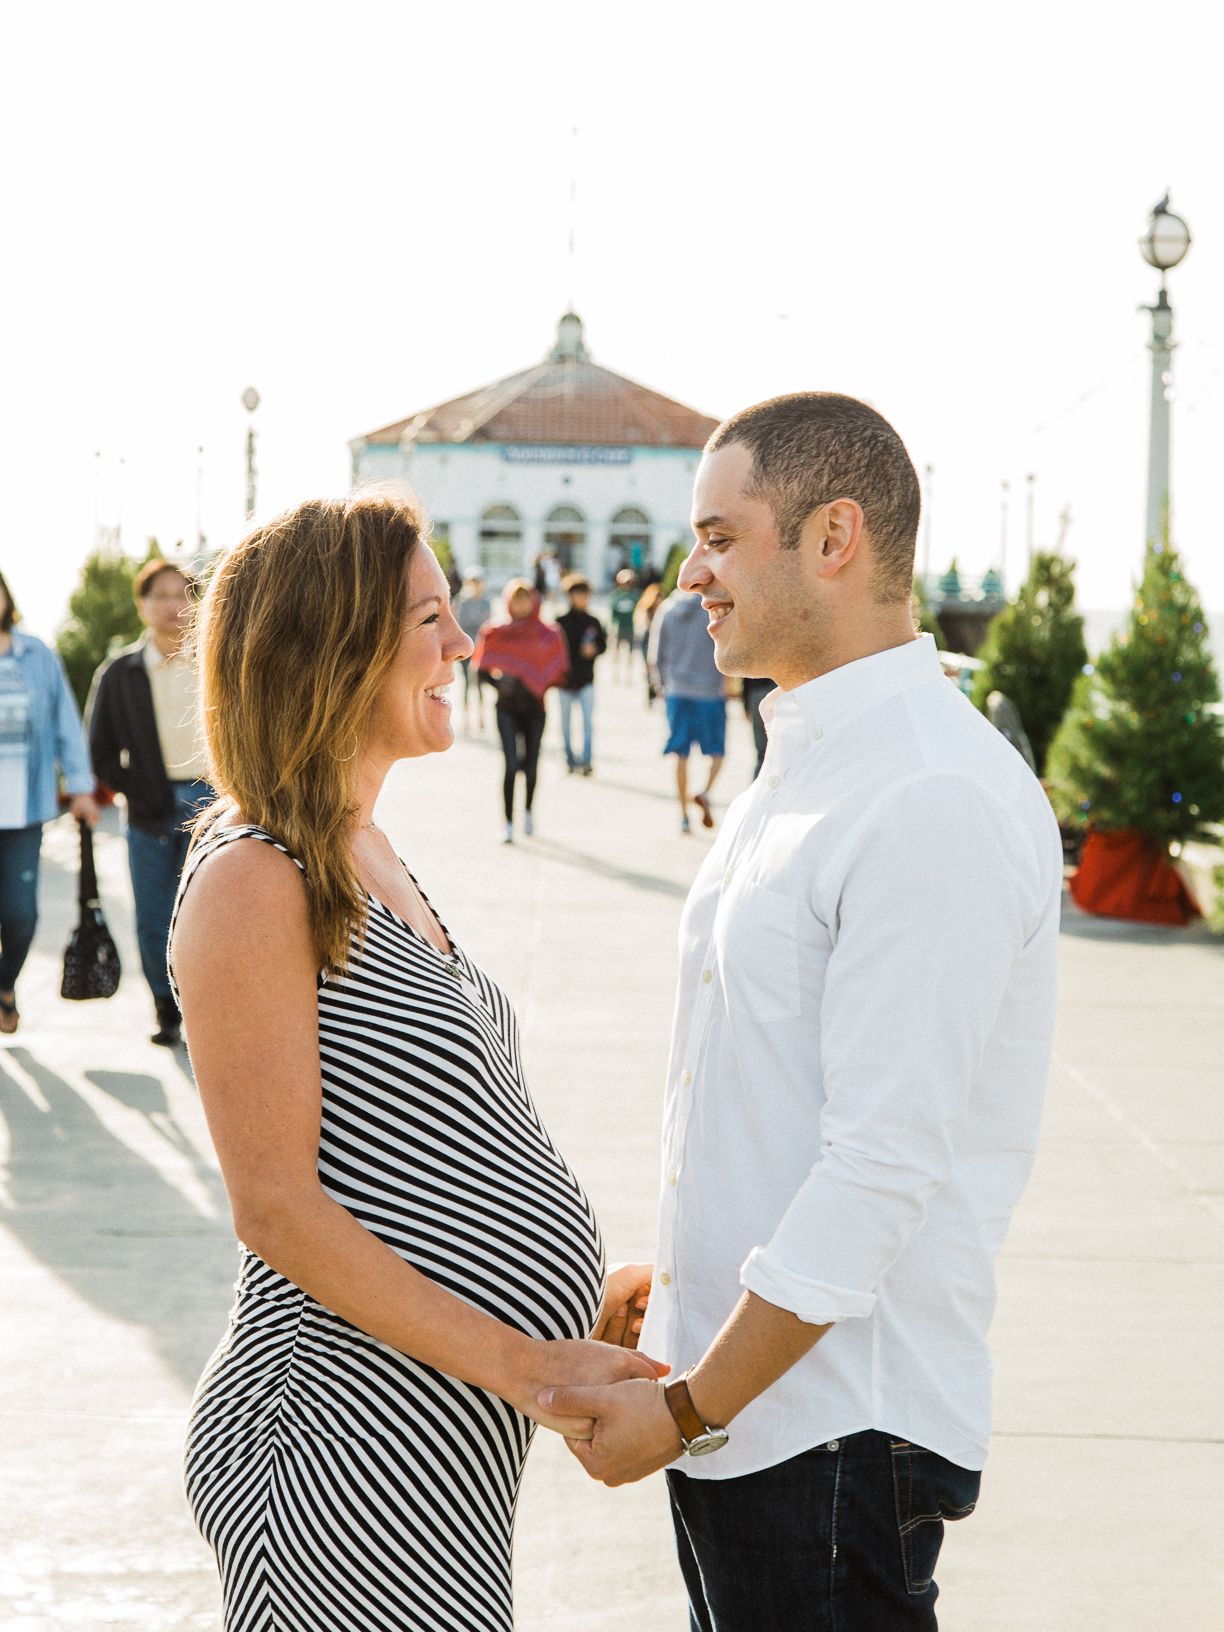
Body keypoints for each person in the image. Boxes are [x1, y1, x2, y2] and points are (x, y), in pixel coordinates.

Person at [540, 394, 1064, 1632]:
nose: (689, 572)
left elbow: (881, 1167)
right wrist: (680, 1284)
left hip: (832, 1436)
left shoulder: (929, 791)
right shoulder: (809, 762)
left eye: (721, 536)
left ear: (834, 538)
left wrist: (684, 1406)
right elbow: (773, 1088)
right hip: (748, 1412)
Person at [169, 493, 663, 1632]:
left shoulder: (364, 852)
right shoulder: (255, 877)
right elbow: (279, 1210)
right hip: (339, 1449)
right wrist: (528, 1366)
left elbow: (404, 1154)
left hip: (434, 1441)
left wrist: (572, 1304)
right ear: (332, 643)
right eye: (431, 617)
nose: (463, 645)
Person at [87, 559, 212, 1047]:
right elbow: (98, 750)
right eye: (161, 595)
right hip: (149, 810)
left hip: (212, 802)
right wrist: (136, 788)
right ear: (142, 605)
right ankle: (166, 1008)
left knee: (209, 910)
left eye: (183, 594)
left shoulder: (212, 661)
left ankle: (205, 1003)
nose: (173, 605)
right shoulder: (120, 673)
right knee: (155, 911)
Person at [0, 569, 98, 1034]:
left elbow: (66, 724)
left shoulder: (37, 656)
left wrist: (81, 787)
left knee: (20, 916)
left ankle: (4, 985)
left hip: (23, 811)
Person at [472, 580, 568, 844]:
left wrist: (538, 680)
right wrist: (498, 684)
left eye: (526, 599)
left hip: (536, 709)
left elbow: (558, 667)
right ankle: (508, 822)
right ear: (508, 601)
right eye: (517, 599)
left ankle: (527, 812)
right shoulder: (495, 631)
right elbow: (480, 668)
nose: (521, 604)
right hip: (506, 709)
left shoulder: (548, 632)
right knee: (511, 764)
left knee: (532, 764)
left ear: (535, 601)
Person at [648, 587, 725, 834]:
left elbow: (655, 654)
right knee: (717, 752)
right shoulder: (714, 609)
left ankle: (683, 816)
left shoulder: (667, 608)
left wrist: (662, 686)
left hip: (677, 690)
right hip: (711, 691)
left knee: (681, 755)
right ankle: (705, 791)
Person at [555, 574, 606, 774]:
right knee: (565, 725)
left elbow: (603, 644)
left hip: (586, 680)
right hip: (565, 681)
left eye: (586, 595)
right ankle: (569, 759)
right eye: (579, 595)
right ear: (570, 596)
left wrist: (595, 650)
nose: (583, 599)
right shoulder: (560, 622)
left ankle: (586, 761)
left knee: (587, 723)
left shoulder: (594, 621)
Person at [454, 566, 492, 732]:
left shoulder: (486, 601)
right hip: (466, 648)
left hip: (481, 649)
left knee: (481, 683)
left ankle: (482, 717)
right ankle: (466, 718)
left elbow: (487, 625)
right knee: (467, 684)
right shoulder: (461, 601)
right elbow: (459, 623)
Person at [608, 568, 640, 677]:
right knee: (616, 652)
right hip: (619, 627)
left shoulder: (634, 595)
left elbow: (639, 610)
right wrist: (611, 628)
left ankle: (628, 674)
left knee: (630, 653)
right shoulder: (616, 595)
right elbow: (613, 613)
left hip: (630, 627)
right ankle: (615, 672)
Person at [741, 676, 773, 778]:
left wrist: (746, 705)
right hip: (778, 691)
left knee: (762, 755)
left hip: (756, 694)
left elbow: (746, 677)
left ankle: (757, 788)